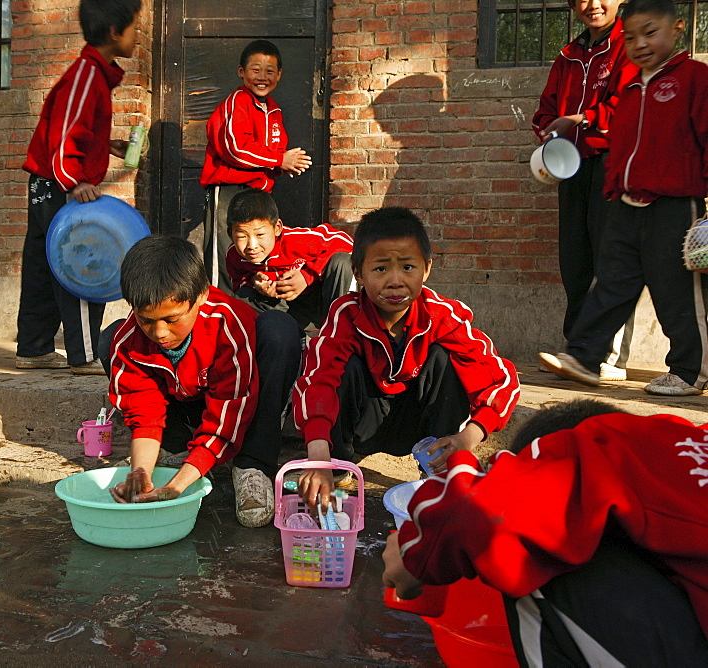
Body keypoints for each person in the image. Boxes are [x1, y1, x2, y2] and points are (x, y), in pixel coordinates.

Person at [382, 398, 708, 665]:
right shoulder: (681, 445)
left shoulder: (602, 444)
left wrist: (414, 554)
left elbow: (484, 511)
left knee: (539, 554)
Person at [291, 207, 520, 510]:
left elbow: (501, 378)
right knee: (343, 368)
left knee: (444, 358)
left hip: (420, 424)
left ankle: (438, 469)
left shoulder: (441, 315)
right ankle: (338, 466)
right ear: (357, 272)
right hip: (364, 424)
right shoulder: (346, 315)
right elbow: (316, 382)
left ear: (427, 268)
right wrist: (317, 455)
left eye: (408, 267)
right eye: (381, 269)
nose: (395, 281)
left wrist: (467, 438)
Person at [539, 0, 708, 396]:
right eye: (631, 37)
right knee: (610, 283)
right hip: (626, 204)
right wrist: (615, 191)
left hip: (674, 204)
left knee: (676, 290)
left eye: (651, 33)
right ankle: (582, 357)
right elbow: (620, 147)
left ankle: (690, 372)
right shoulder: (631, 89)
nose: (640, 44)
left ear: (677, 29)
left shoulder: (694, 79)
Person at [97, 235, 302, 527]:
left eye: (172, 319)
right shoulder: (130, 341)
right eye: (146, 320)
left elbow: (228, 410)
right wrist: (141, 470)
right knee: (109, 339)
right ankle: (175, 449)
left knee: (279, 331)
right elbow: (143, 410)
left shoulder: (226, 325)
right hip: (185, 401)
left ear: (201, 296)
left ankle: (251, 464)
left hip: (240, 403)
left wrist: (178, 485)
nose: (160, 333)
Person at [16, 0, 141, 375]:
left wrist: (108, 146)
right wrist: (75, 182)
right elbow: (64, 136)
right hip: (60, 184)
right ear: (115, 33)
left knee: (43, 264)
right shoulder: (87, 76)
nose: (137, 35)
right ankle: (84, 354)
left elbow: (77, 131)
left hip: (45, 183)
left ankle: (34, 348)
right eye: (135, 27)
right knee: (80, 262)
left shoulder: (93, 75)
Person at [532, 0, 636, 382]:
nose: (592, 5)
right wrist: (548, 130)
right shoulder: (569, 54)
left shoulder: (629, 43)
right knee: (574, 261)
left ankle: (609, 356)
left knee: (609, 259)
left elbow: (629, 102)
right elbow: (545, 109)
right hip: (572, 167)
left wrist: (581, 119)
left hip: (613, 163)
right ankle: (577, 350)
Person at [200, 39, 312, 294]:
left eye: (270, 71)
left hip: (258, 192)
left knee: (254, 257)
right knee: (224, 256)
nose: (262, 77)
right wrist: (279, 160)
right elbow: (234, 148)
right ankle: (219, 310)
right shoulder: (237, 101)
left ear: (279, 75)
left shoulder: (273, 110)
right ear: (241, 71)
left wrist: (282, 164)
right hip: (230, 189)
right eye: (255, 69)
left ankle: (246, 315)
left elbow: (271, 152)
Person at [225, 188, 354, 330]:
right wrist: (254, 283)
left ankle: (339, 330)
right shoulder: (234, 255)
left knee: (342, 262)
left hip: (320, 301)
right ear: (231, 234)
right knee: (243, 298)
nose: (252, 245)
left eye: (260, 234)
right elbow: (239, 282)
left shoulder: (297, 241)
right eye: (242, 236)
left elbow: (346, 242)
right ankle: (286, 337)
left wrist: (307, 276)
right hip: (283, 309)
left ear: (277, 228)